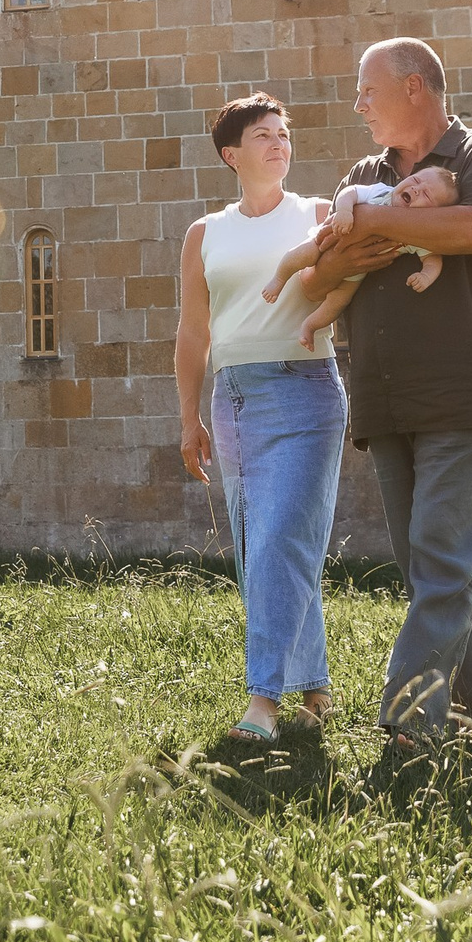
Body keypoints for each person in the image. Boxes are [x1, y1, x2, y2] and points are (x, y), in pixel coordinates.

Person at [295, 38, 472, 740]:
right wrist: (355, 237)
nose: (358, 104)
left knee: (441, 556)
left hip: (464, 388)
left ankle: (408, 722)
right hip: (384, 394)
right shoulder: (365, 171)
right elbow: (321, 271)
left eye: (369, 90)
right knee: (437, 564)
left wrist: (367, 221)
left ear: (416, 88)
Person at [174, 92, 347, 743]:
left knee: (281, 538)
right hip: (235, 399)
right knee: (263, 546)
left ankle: (262, 702)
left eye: (284, 133)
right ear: (232, 154)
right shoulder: (205, 233)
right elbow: (193, 333)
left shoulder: (320, 214)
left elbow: (346, 285)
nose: (279, 143)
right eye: (263, 135)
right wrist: (189, 418)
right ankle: (317, 691)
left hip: (306, 392)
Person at [261, 164, 458, 349]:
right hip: (330, 238)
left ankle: (309, 326)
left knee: (338, 301)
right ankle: (279, 278)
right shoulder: (382, 192)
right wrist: (345, 210)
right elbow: (351, 191)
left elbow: (432, 258)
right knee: (304, 253)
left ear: (432, 214)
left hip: (357, 272)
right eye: (415, 180)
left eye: (426, 194)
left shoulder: (415, 232)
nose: (416, 189)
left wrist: (426, 276)